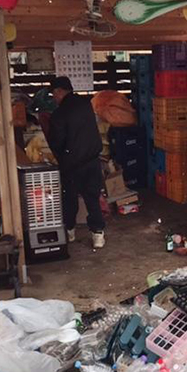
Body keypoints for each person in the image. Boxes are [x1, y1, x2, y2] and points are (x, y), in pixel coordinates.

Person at [46, 76, 106, 249]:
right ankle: (98, 234)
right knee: (92, 198)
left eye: (54, 94)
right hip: (92, 160)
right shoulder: (86, 105)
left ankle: (70, 231)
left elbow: (56, 141)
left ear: (59, 91)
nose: (54, 98)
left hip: (72, 164)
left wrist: (60, 158)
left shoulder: (60, 113)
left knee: (70, 199)